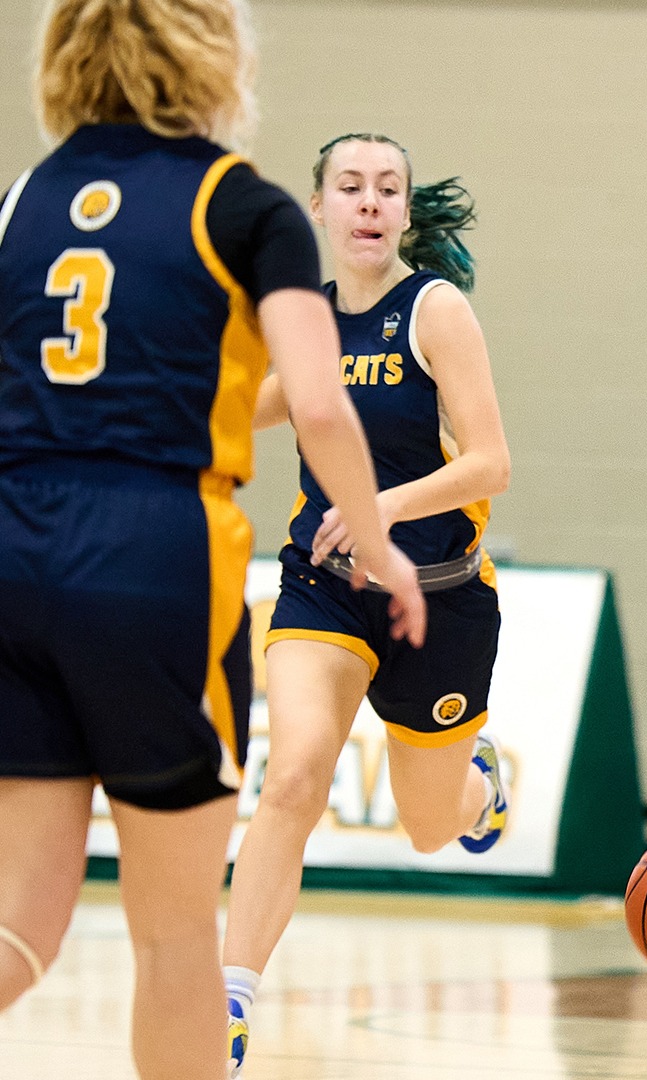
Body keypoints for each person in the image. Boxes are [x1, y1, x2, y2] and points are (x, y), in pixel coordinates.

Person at [0, 2, 427, 1078]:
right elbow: (320, 407)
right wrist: (378, 543)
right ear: (217, 54)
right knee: (179, 937)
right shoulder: (243, 205)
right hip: (151, 553)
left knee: (21, 926)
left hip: (14, 539)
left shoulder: (23, 199)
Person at [219, 133, 511, 1078]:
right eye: (351, 186)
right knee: (294, 772)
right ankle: (228, 999)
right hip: (324, 588)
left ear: (404, 211)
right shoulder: (299, 324)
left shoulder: (433, 310)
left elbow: (490, 463)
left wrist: (378, 507)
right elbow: (238, 409)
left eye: (388, 188)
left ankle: (479, 787)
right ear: (319, 208)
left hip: (441, 598)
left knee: (432, 828)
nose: (371, 202)